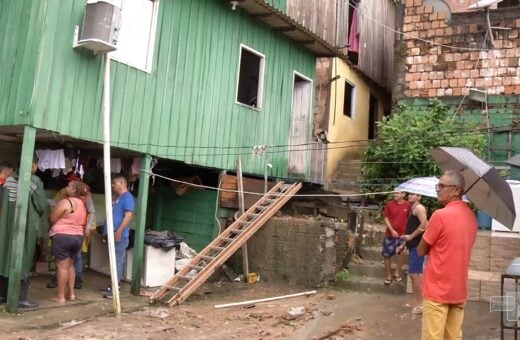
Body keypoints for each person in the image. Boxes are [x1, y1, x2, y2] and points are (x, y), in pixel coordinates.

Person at [418, 170, 477, 340]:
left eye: (442, 186)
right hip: (458, 289)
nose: (437, 189)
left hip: (437, 289)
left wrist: (426, 229)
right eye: (438, 185)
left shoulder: (440, 215)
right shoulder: (471, 217)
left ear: (456, 190)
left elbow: (421, 250)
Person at [0, 157, 47, 308]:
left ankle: (4, 296)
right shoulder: (34, 181)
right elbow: (40, 206)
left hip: (6, 225)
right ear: (33, 165)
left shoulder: (8, 181)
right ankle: (20, 298)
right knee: (24, 258)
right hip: (25, 226)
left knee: (5, 257)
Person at [47, 175, 95, 289]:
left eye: (68, 185)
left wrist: (88, 227)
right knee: (69, 261)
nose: (65, 187)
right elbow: (55, 202)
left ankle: (75, 280)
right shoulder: (65, 194)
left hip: (75, 230)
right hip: (76, 232)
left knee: (72, 258)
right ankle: (66, 285)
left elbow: (92, 211)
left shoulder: (86, 197)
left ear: (75, 188)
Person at [99, 175, 134, 299]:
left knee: (117, 261)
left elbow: (128, 216)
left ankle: (116, 289)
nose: (112, 185)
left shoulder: (127, 197)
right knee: (113, 261)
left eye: (114, 183)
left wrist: (118, 231)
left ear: (121, 183)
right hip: (112, 234)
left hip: (119, 235)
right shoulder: (118, 198)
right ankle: (112, 285)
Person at [400, 192, 427, 314]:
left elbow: (425, 225)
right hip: (412, 245)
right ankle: (415, 302)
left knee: (415, 275)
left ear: (419, 197)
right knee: (413, 275)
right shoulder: (413, 209)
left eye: (412, 194)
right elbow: (411, 227)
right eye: (409, 194)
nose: (409, 196)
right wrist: (403, 244)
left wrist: (411, 236)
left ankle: (420, 304)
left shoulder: (420, 208)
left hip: (417, 246)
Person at [381, 189, 410, 285]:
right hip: (390, 234)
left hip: (403, 234)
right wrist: (392, 230)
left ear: (403, 194)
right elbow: (386, 218)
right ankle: (388, 275)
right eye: (394, 192)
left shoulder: (408, 206)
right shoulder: (389, 204)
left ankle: (397, 272)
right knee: (387, 255)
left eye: (397, 193)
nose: (394, 194)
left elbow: (410, 219)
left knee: (402, 253)